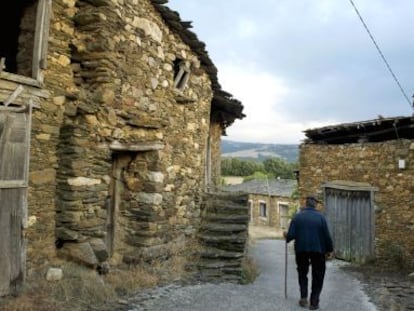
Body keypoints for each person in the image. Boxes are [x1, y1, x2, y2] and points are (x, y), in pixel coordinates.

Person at [284, 195, 334, 310]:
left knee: (302, 273)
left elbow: (291, 235)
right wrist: (329, 250)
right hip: (318, 251)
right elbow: (327, 236)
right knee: (318, 275)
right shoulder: (321, 218)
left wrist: (286, 236)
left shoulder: (297, 217)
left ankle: (303, 297)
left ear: (306, 204)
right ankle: (314, 302)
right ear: (315, 204)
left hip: (301, 250)